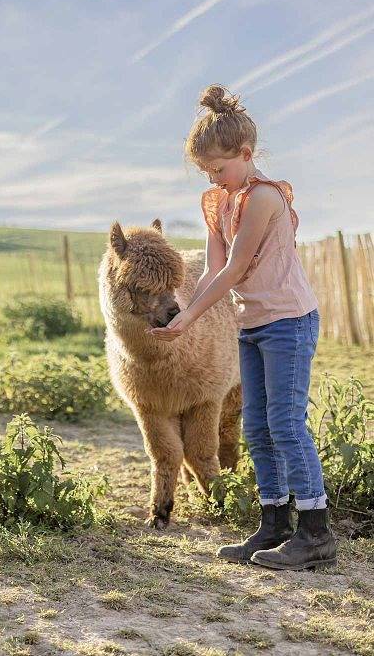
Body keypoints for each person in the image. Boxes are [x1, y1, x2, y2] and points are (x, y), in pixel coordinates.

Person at [150, 85, 336, 571]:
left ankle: (315, 531)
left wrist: (188, 319)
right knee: (255, 424)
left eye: (219, 168)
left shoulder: (264, 198)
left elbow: (234, 268)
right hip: (249, 324)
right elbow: (212, 269)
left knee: (286, 423)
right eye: (207, 171)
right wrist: (186, 314)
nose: (214, 177)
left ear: (246, 154)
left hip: (289, 321)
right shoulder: (218, 201)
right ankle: (272, 524)